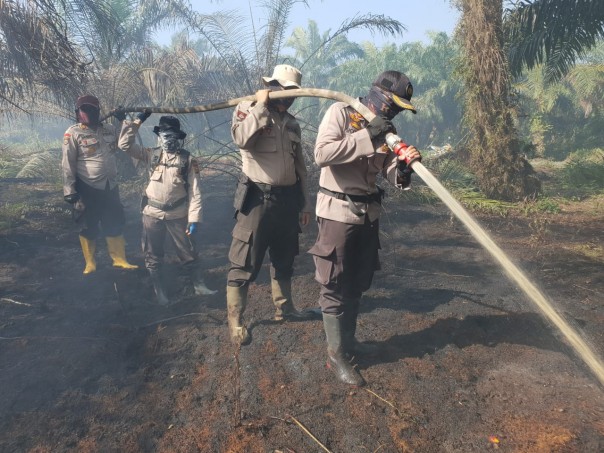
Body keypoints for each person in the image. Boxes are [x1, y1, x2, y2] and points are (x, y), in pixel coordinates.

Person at [309, 70, 422, 386]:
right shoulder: (341, 113)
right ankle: (336, 355)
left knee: (357, 281)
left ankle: (350, 342)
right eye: (395, 104)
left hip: (368, 214)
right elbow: (322, 154)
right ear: (380, 95)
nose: (396, 111)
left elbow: (389, 175)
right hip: (337, 212)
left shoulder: (388, 131)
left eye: (401, 108)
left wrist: (402, 166)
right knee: (332, 283)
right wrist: (367, 135)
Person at [226, 64, 315, 346]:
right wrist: (261, 107)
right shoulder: (247, 108)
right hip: (257, 199)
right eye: (284, 91)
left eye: (293, 94)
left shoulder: (291, 123)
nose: (288, 98)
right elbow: (241, 139)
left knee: (284, 257)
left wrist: (304, 203)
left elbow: (300, 166)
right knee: (244, 262)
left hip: (287, 201)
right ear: (272, 86)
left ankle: (285, 309)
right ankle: (236, 321)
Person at [118, 113, 217, 305]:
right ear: (159, 135)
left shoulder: (188, 160)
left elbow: (195, 192)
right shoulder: (150, 154)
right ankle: (159, 292)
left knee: (187, 251)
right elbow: (124, 145)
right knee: (153, 255)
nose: (168, 138)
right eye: (165, 133)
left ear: (179, 137)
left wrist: (194, 219)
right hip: (152, 213)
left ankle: (199, 285)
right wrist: (137, 121)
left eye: (172, 134)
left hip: (177, 213)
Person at [62, 95, 138, 275]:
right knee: (88, 225)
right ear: (78, 113)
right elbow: (67, 163)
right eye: (84, 110)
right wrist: (69, 190)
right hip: (87, 187)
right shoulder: (72, 133)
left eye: (91, 110)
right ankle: (90, 263)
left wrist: (123, 120)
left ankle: (119, 260)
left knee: (114, 221)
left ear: (98, 111)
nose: (88, 113)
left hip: (110, 186)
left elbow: (126, 142)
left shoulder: (109, 129)